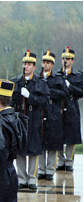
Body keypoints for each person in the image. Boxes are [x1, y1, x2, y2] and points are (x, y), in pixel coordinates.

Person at [10, 50, 50, 190]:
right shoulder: (16, 82)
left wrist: (30, 97)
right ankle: (21, 179)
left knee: (33, 150)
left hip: (34, 119)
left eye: (29, 64)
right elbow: (10, 101)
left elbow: (45, 100)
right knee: (20, 150)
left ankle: (32, 178)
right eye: (24, 64)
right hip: (20, 118)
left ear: (34, 67)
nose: (26, 67)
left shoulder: (40, 82)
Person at [38, 50, 68, 180]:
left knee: (52, 143)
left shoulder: (57, 79)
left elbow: (64, 94)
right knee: (40, 142)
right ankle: (41, 169)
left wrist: (49, 92)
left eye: (48, 63)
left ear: (52, 65)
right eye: (44, 62)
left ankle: (50, 169)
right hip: (40, 112)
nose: (46, 65)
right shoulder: (37, 78)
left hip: (52, 112)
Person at [56, 46, 83, 171]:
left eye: (68, 59)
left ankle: (69, 161)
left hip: (72, 107)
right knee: (58, 135)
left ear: (72, 61)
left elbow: (81, 92)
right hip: (58, 107)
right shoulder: (57, 75)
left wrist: (70, 86)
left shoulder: (78, 75)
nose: (66, 61)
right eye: (64, 59)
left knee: (71, 137)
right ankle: (60, 160)